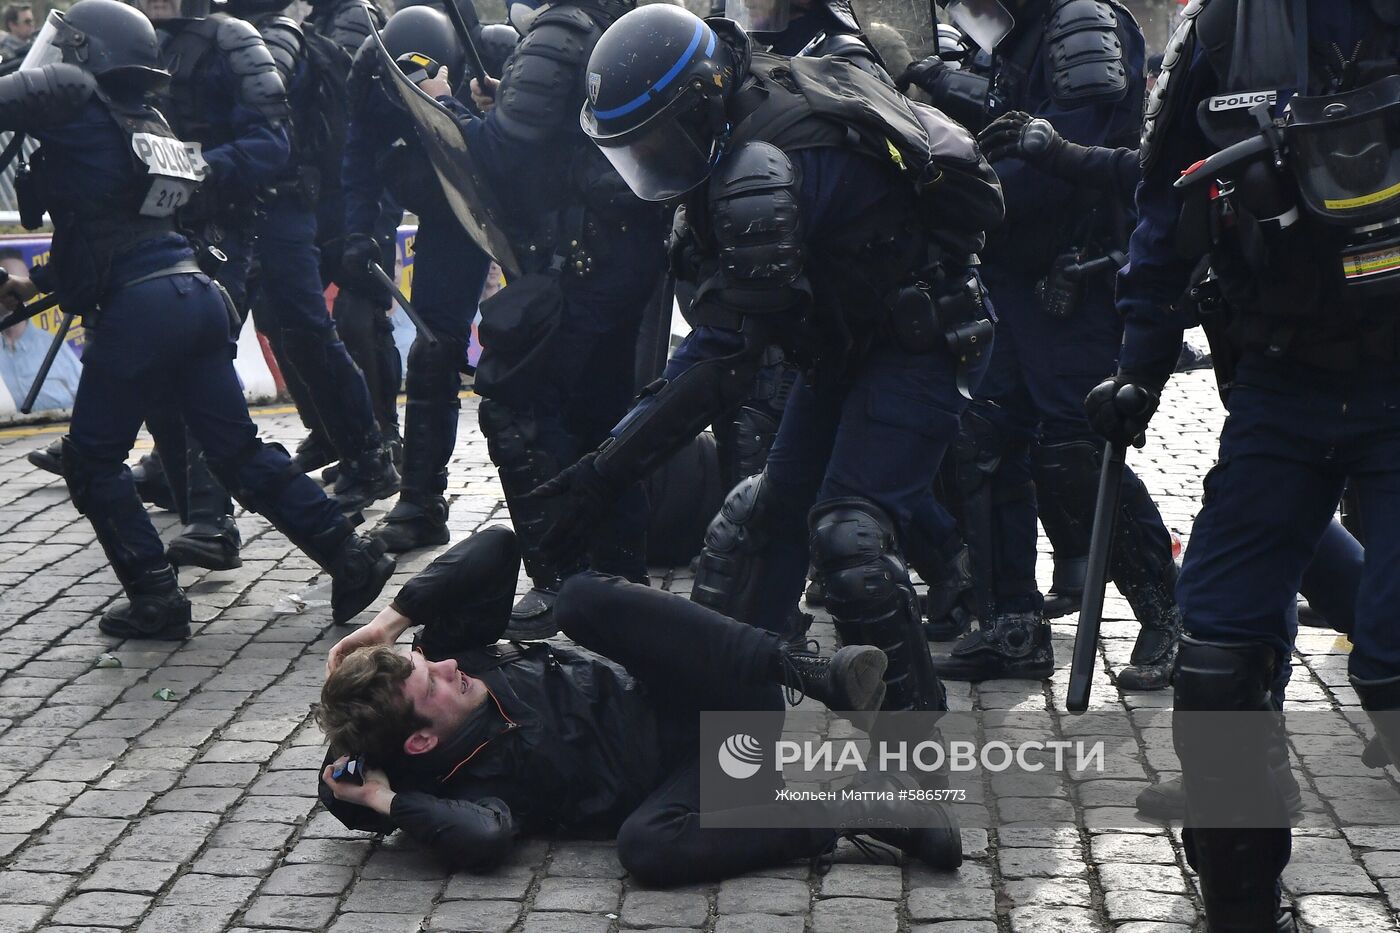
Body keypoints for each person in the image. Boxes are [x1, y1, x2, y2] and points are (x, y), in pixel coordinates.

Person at [532, 4, 1003, 740]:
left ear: (696, 107)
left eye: (654, 142)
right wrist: (605, 469)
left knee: (849, 538)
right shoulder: (732, 124)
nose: (648, 164)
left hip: (922, 338)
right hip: (845, 341)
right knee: (756, 526)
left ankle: (913, 759)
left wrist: (602, 473)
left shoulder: (764, 166)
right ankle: (723, 741)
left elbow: (722, 357)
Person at [1086, 0, 1400, 927]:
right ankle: (1241, 909)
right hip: (1280, 389)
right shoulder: (1225, 30)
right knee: (1217, 661)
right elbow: (1163, 199)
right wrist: (1139, 363)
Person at [0, 0, 395, 638]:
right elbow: (114, 230)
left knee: (93, 460)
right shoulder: (146, 118)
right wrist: (32, 284)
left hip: (140, 311)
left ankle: (157, 599)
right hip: (191, 295)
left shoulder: (75, 94)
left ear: (90, 53)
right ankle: (352, 554)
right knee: (236, 451)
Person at [317, 526, 962, 883]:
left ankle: (807, 670)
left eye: (431, 664)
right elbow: (480, 837)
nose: (451, 666)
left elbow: (496, 546)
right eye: (433, 684)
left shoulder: (457, 653)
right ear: (422, 742)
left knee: (578, 600)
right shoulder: (466, 789)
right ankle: (868, 808)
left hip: (718, 684)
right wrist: (381, 800)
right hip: (706, 776)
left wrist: (387, 627)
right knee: (645, 849)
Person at [903, 0, 1179, 691]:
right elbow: (1000, 126)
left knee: (1079, 450)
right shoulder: (1024, 35)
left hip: (1070, 279)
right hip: (1011, 275)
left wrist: (959, 193)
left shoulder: (1081, 23)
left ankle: (1171, 614)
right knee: (984, 442)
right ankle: (1011, 625)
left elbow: (1067, 160)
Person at [423, 0, 666, 635]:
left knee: (519, 405)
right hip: (619, 257)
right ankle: (618, 575)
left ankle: (564, 578)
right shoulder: (618, 24)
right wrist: (510, 99)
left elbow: (499, 154)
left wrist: (441, 103)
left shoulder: (563, 28)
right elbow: (563, 128)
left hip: (581, 264)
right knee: (602, 418)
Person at [227, 0, 401, 516]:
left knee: (354, 317)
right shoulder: (288, 29)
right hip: (313, 195)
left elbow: (356, 118)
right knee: (283, 321)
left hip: (352, 192)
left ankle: (378, 438)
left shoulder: (337, 24)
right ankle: (330, 432)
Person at [339, 5, 492, 554]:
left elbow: (504, 152)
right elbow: (357, 160)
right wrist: (359, 232)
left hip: (522, 219)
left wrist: (450, 102)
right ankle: (421, 502)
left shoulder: (490, 61)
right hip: (446, 221)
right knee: (433, 353)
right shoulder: (374, 87)